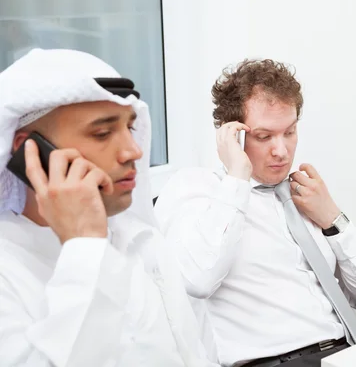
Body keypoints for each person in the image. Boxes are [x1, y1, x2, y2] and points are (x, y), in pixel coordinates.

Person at [154, 59, 356, 366]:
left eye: (290, 132)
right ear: (233, 134)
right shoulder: (197, 191)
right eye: (264, 136)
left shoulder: (305, 194)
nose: (281, 151)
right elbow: (198, 279)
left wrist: (333, 219)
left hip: (349, 351)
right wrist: (238, 176)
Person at [0, 48, 217, 366]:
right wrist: (84, 246)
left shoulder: (143, 240)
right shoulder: (8, 268)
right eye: (102, 133)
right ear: (29, 151)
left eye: (130, 128)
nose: (133, 151)